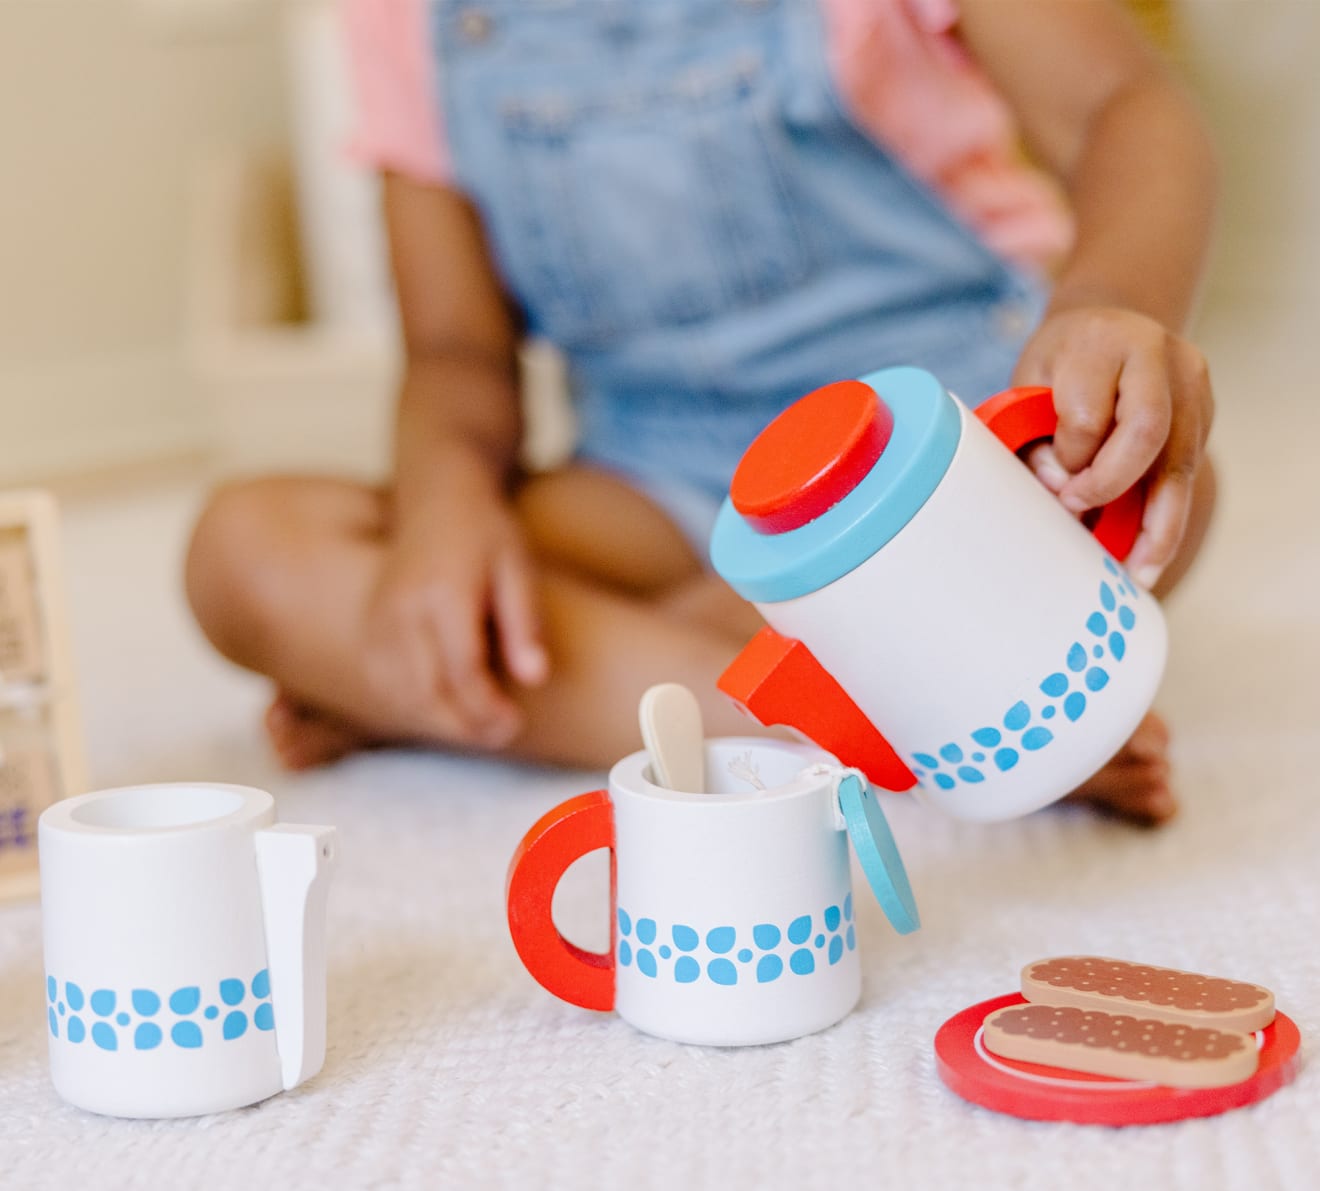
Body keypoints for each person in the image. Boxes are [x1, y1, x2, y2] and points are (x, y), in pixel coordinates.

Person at [186, 0, 1217, 824]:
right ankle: (895, 727)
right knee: (248, 551)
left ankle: (514, 699)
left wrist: (1106, 309)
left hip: (933, 463)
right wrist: (443, 514)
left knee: (1147, 475)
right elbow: (457, 354)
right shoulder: (409, 20)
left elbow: (1123, 104)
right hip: (656, 479)